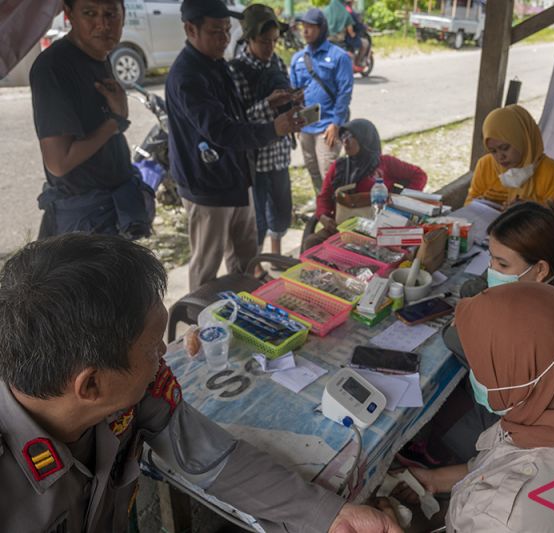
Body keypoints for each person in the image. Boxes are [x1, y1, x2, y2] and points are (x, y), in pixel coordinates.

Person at [0, 234, 400, 533]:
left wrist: (330, 515)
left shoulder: (132, 393)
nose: (165, 351)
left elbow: (214, 458)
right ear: (90, 386)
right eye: (150, 347)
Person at [396, 283, 554, 533]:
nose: (476, 375)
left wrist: (409, 524)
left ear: (524, 381)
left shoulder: (501, 517)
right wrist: (434, 480)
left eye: (482, 368)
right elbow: (494, 465)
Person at [167, 0, 305, 291]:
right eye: (216, 31)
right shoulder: (187, 76)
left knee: (245, 260)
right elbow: (221, 130)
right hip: (206, 186)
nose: (225, 39)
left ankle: (244, 313)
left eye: (228, 30)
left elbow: (234, 114)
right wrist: (273, 128)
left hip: (236, 176)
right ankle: (200, 327)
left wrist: (269, 105)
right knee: (207, 267)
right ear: (190, 29)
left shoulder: (216, 63)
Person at [30, 0, 152, 239]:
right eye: (90, 13)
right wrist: (116, 122)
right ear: (69, 15)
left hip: (112, 207)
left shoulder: (99, 55)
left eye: (110, 13)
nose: (102, 24)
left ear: (123, 15)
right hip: (86, 219)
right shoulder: (54, 67)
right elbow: (59, 162)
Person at [443, 200, 554, 364]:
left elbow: (456, 336)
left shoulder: (543, 323)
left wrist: (466, 323)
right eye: (491, 257)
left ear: (540, 270)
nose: (491, 268)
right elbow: (471, 289)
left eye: (503, 264)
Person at [229, 4, 303, 255]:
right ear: (248, 38)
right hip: (254, 160)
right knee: (257, 217)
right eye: (264, 42)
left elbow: (286, 102)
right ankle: (255, 264)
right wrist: (266, 105)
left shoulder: (277, 63)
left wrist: (295, 101)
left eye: (274, 41)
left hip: (279, 153)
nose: (270, 47)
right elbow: (235, 124)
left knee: (281, 210)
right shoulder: (236, 71)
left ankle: (275, 255)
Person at [304, 118, 428, 249]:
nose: (345, 141)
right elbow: (324, 196)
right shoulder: (340, 166)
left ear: (365, 139)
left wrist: (400, 201)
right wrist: (323, 216)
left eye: (351, 136)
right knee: (311, 243)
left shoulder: (384, 163)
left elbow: (419, 175)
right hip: (342, 227)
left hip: (376, 228)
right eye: (343, 136)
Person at [290, 8, 354, 194]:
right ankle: (322, 208)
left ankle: (337, 211)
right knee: (313, 170)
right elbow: (294, 93)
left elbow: (345, 92)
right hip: (306, 126)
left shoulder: (339, 56)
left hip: (328, 127)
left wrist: (336, 123)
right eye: (304, 26)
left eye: (311, 27)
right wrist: (295, 122)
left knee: (329, 173)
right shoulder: (298, 59)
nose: (306, 31)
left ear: (322, 29)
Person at [465, 104, 554, 215]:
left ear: (523, 140)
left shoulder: (552, 172)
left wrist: (530, 210)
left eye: (505, 148)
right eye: (493, 151)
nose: (500, 157)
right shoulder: (486, 165)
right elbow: (469, 206)